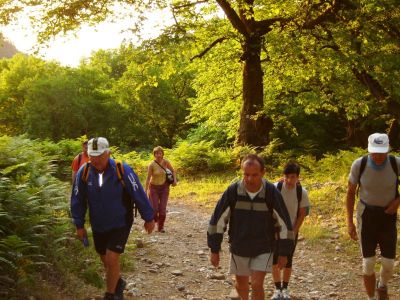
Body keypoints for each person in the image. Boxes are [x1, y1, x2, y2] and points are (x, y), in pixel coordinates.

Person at [71, 137, 155, 300]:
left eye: (100, 156)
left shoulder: (122, 169)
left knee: (111, 257)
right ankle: (118, 282)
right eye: (92, 156)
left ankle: (111, 295)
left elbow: (138, 192)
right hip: (98, 223)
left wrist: (149, 217)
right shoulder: (85, 172)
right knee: (105, 259)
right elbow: (77, 199)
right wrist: (79, 224)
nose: (95, 160)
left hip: (121, 222)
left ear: (108, 153)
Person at [207, 154, 295, 300]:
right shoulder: (233, 191)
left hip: (264, 247)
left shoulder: (271, 193)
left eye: (254, 175)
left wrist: (284, 252)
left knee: (256, 283)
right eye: (246, 174)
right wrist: (214, 249)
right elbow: (218, 220)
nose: (249, 179)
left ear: (263, 172)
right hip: (239, 246)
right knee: (241, 285)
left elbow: (283, 223)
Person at [346, 133, 399, 300]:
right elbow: (350, 192)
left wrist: (397, 202)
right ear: (369, 150)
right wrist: (349, 223)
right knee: (368, 263)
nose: (378, 156)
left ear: (388, 150)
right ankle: (371, 298)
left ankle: (382, 285)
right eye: (374, 152)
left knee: (389, 263)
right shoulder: (359, 165)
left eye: (382, 152)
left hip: (388, 216)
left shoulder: (395, 163)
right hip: (366, 215)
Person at [271, 162, 310, 300]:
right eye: (286, 177)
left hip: (291, 230)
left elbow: (302, 213)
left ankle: (285, 288)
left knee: (288, 260)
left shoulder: (301, 192)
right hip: (275, 229)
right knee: (274, 259)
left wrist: (293, 232)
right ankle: (277, 289)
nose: (289, 180)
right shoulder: (276, 188)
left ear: (298, 177)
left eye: (292, 177)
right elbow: (269, 209)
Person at [145, 146, 177, 232]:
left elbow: (173, 171)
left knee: (162, 209)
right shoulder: (151, 165)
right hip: (153, 188)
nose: (158, 155)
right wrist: (145, 190)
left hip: (164, 187)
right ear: (154, 155)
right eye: (156, 153)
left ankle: (161, 226)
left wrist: (175, 180)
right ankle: (154, 221)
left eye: (160, 153)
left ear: (162, 154)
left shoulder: (166, 162)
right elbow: (148, 178)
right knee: (154, 209)